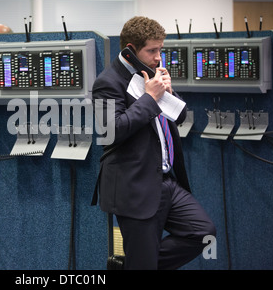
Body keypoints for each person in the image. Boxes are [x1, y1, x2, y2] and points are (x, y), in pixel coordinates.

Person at [92, 16, 216, 270]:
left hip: (167, 182)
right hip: (134, 186)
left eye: (160, 49)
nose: (158, 57)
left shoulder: (150, 75)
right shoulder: (108, 82)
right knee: (143, 261)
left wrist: (168, 94)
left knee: (204, 233)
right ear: (130, 50)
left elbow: (179, 116)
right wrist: (150, 98)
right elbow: (110, 131)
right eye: (152, 50)